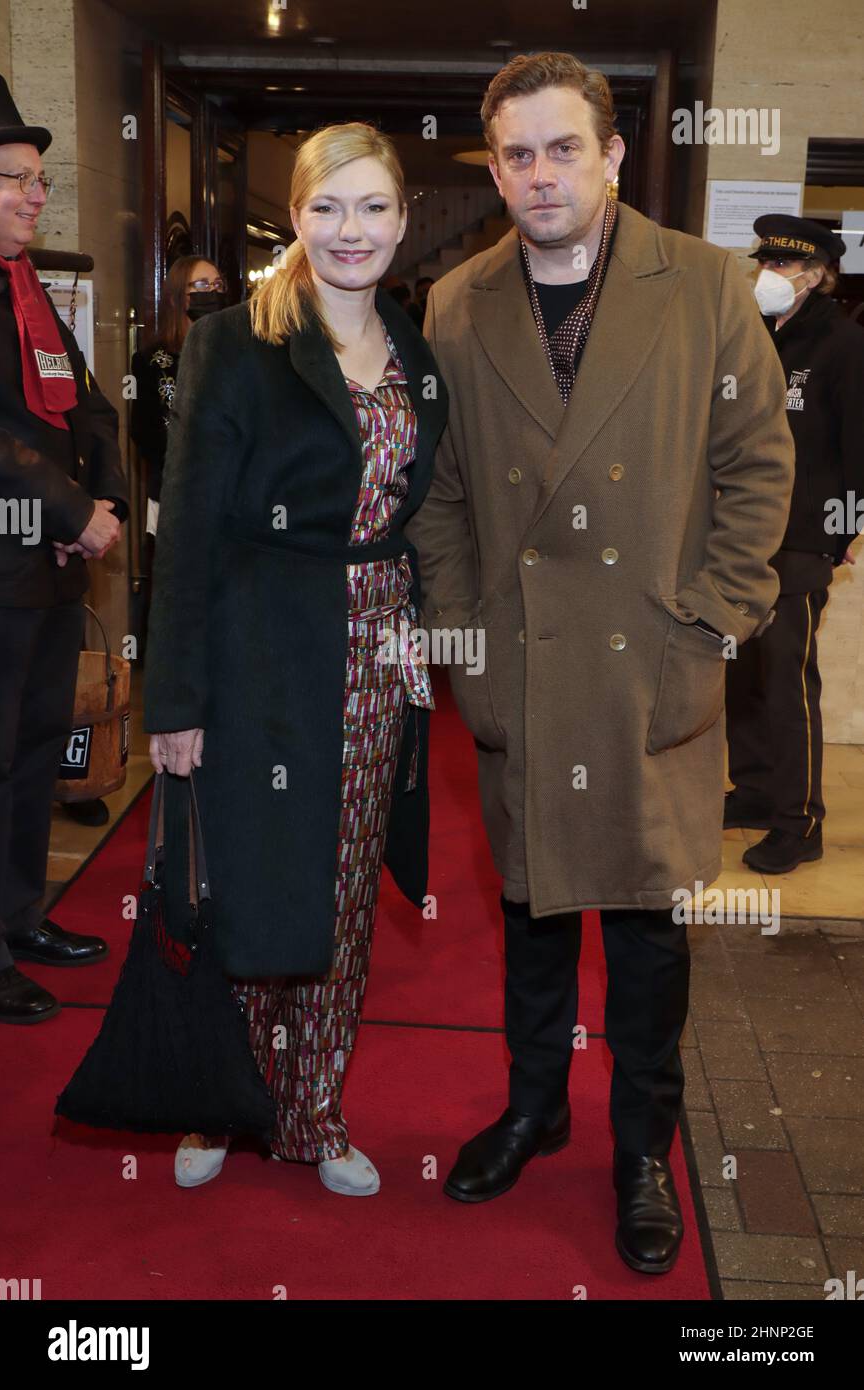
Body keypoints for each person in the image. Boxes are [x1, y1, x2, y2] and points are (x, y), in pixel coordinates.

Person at [405, 51, 794, 1274]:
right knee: (526, 911)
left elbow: (756, 466)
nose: (537, 174)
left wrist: (715, 616)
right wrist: (465, 636)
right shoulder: (456, 300)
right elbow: (441, 497)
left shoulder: (705, 285)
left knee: (644, 933)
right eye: (514, 154)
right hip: (524, 664)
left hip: (650, 667)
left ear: (612, 154)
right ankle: (532, 1107)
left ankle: (640, 1146)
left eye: (561, 147)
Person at [143, 122, 448, 1195]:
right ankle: (221, 1102)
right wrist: (172, 696)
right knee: (240, 880)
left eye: (372, 208)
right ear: (297, 219)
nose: (349, 230)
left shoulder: (416, 349)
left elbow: (425, 512)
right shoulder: (234, 340)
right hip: (253, 649)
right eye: (327, 207)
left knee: (339, 890)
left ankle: (312, 1110)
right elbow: (183, 529)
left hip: (370, 653)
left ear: (403, 220)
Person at [0, 74, 127, 1025]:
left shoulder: (28, 285)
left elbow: (85, 403)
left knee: (38, 751)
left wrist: (109, 496)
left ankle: (19, 918)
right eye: (16, 179)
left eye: (39, 180)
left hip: (43, 569)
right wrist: (68, 506)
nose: (36, 196)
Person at [725, 215, 864, 873]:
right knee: (743, 674)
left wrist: (843, 533)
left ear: (816, 274)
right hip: (741, 537)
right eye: (765, 265)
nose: (768, 277)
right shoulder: (754, 338)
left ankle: (798, 822)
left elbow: (860, 446)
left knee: (787, 680)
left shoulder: (842, 345)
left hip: (803, 540)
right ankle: (754, 790)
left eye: (782, 268)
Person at [130, 255, 226, 540]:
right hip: (176, 494)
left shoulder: (241, 352)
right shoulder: (150, 360)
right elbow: (143, 432)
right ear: (177, 297)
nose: (212, 291)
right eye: (201, 284)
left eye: (218, 285)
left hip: (233, 495)